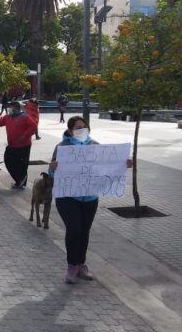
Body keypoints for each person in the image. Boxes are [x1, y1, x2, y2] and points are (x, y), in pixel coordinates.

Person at [48, 116, 133, 283]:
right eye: (77, 128)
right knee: (74, 230)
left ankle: (81, 264)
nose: (81, 130)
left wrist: (124, 164)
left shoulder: (95, 146)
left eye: (84, 127)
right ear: (70, 130)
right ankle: (72, 266)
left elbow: (106, 167)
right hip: (68, 197)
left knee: (84, 231)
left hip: (90, 198)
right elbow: (53, 173)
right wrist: (52, 168)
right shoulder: (62, 147)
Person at [0, 101, 37, 189]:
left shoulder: (25, 117)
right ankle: (19, 180)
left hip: (23, 146)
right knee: (8, 161)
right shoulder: (8, 117)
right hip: (12, 145)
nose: (10, 109)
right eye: (10, 107)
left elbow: (33, 127)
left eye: (12, 107)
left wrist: (24, 136)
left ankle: (21, 182)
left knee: (22, 164)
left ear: (18, 108)